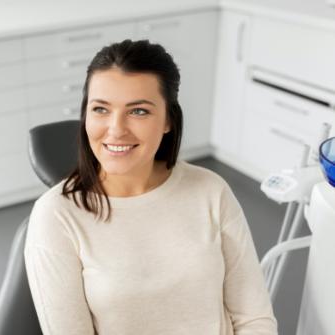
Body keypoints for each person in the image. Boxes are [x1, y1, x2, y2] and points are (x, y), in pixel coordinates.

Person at [24, 39, 278, 335]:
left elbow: (254, 319)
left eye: (139, 111)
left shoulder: (210, 190)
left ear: (168, 119)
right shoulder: (55, 215)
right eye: (101, 109)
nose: (116, 129)